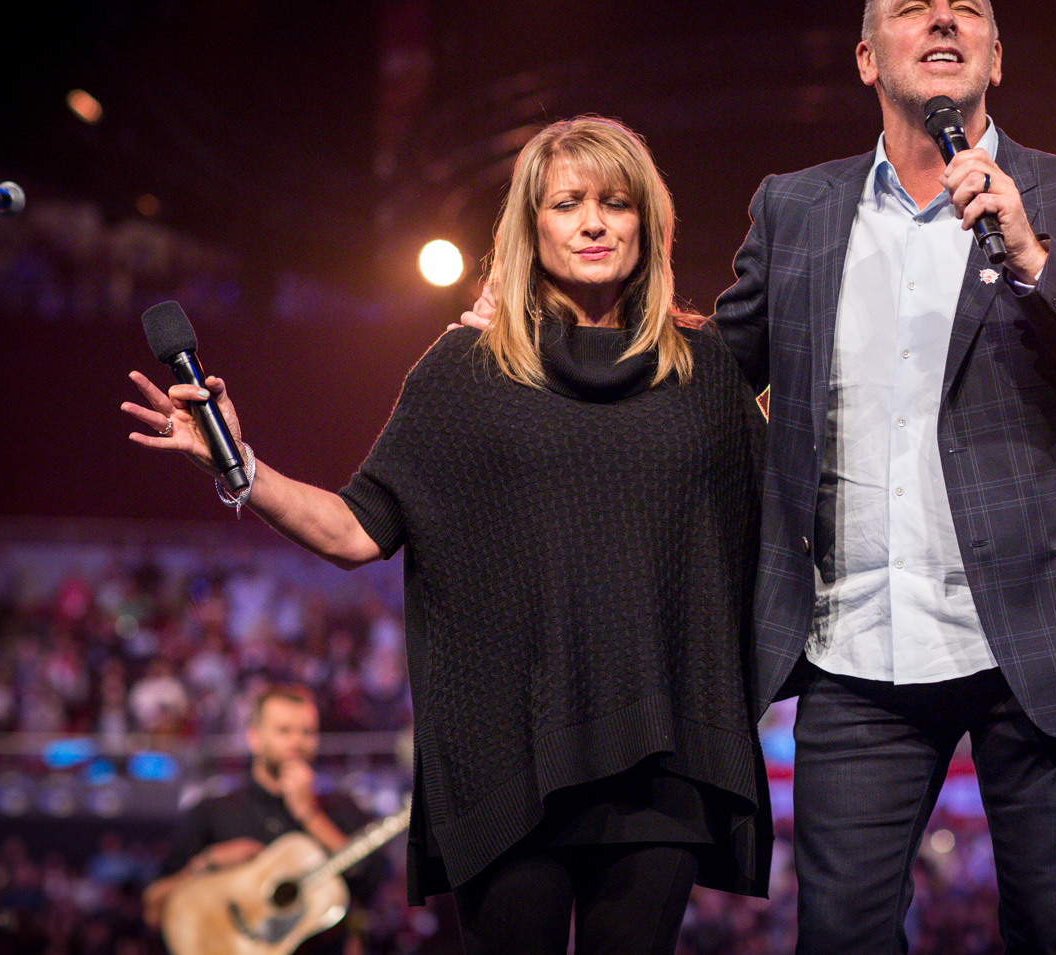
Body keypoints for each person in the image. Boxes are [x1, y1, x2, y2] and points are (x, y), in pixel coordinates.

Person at [464, 0, 1056, 954]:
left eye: (965, 8)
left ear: (995, 54)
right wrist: (553, 339)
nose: (942, 20)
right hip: (858, 652)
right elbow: (707, 377)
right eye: (914, 7)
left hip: (1044, 647)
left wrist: (1033, 256)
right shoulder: (796, 208)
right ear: (863, 56)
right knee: (840, 935)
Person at [124, 115, 770, 955]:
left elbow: (778, 519)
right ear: (528, 227)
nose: (593, 222)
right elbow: (360, 526)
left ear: (649, 221)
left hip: (661, 757)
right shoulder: (464, 369)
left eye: (616, 203)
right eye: (567, 202)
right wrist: (238, 464)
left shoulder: (703, 370)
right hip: (506, 761)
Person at [142, 684, 384, 954]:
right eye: (284, 731)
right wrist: (207, 863)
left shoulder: (338, 808)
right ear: (254, 737)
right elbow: (154, 905)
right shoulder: (212, 811)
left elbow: (375, 881)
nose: (297, 742)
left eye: (307, 732)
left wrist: (310, 815)